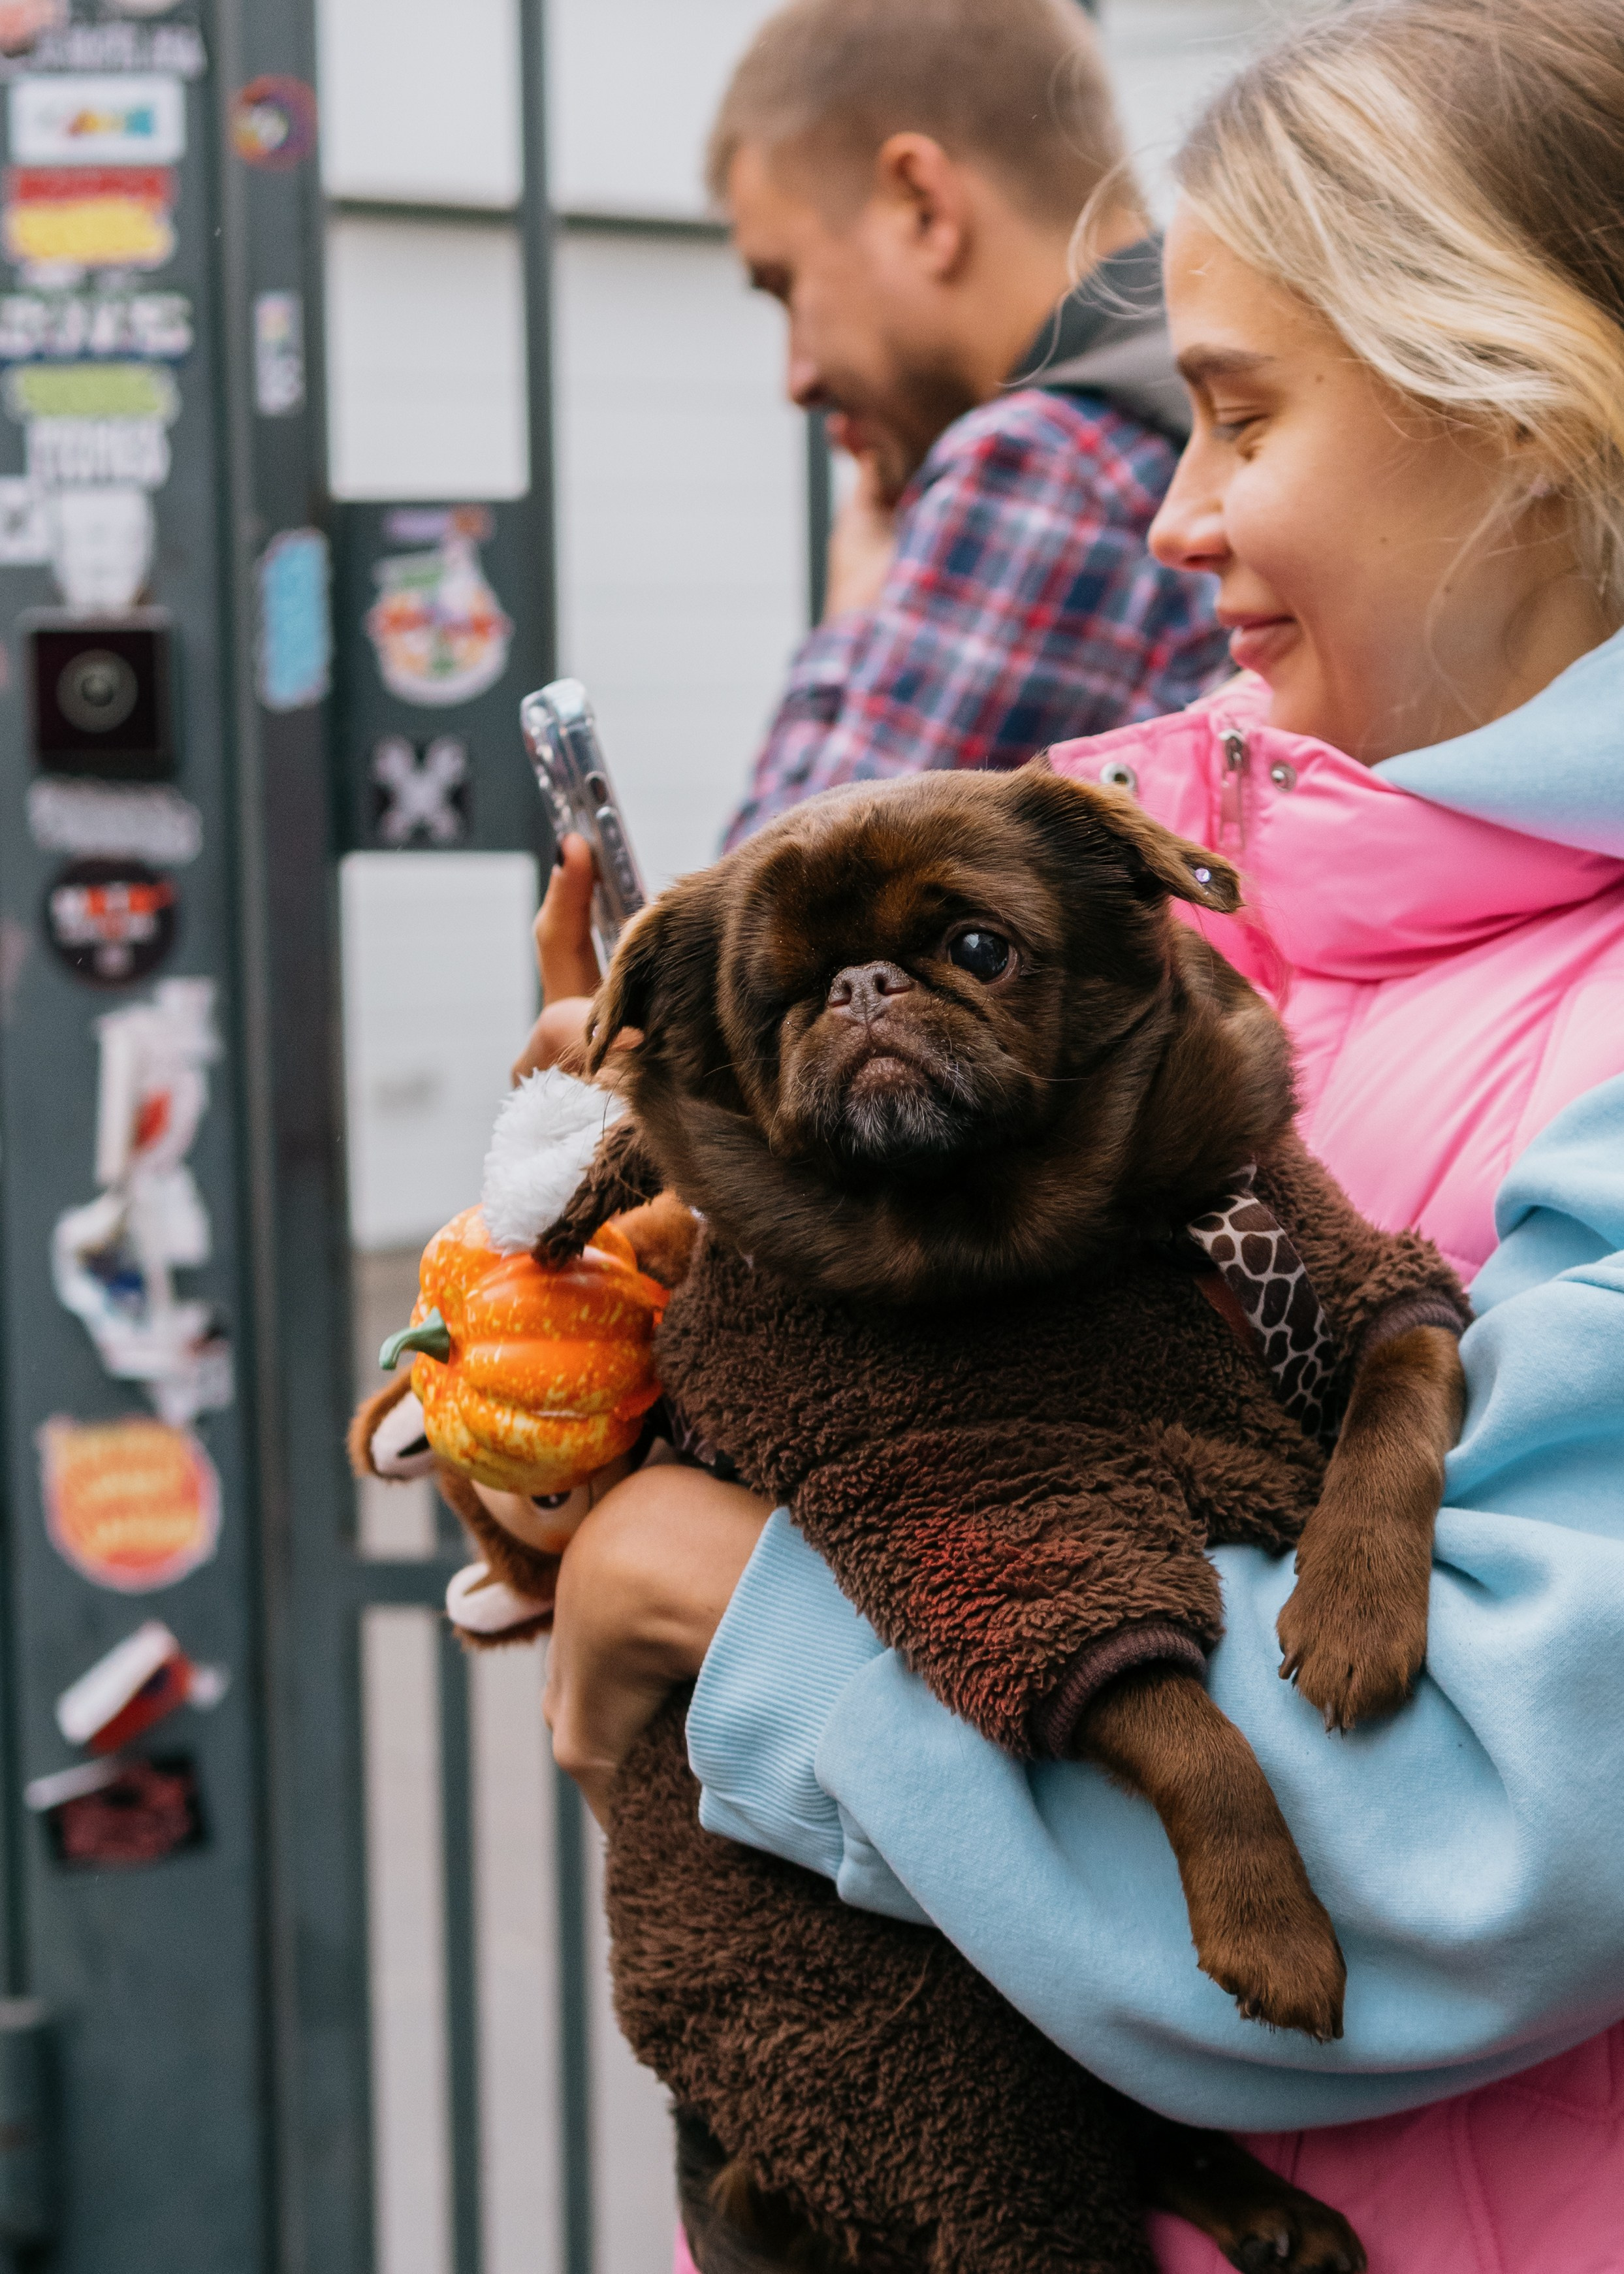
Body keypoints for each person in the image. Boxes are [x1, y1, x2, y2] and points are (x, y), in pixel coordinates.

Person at [541, 0, 1624, 2266]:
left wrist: (738, 1620)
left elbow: (1468, 1853)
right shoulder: (1133, 859)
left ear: (1525, 408)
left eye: (1233, 413)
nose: (1164, 505)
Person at [710, 0, 1230, 846]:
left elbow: (766, 939)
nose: (797, 376)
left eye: (785, 283)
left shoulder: (1046, 460)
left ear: (923, 204)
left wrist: (851, 615)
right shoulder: (1212, 380)